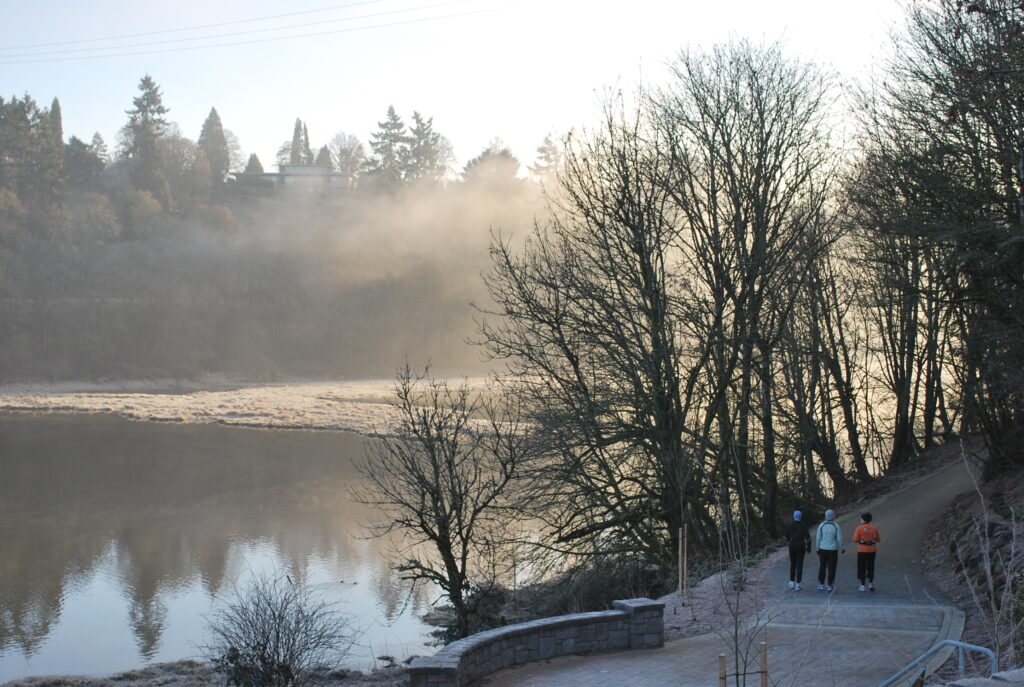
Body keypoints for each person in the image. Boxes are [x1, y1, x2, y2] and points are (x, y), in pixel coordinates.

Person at [816, 509, 845, 592]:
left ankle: (821, 584)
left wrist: (817, 548)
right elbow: (840, 538)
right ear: (833, 516)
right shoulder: (836, 526)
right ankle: (830, 584)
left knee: (822, 566)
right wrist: (842, 548)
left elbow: (818, 538)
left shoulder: (821, 525)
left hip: (822, 549)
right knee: (832, 567)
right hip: (833, 550)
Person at [853, 512, 880, 592]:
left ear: (863, 520)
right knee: (871, 566)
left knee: (862, 567)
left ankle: (862, 585)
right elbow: (878, 539)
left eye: (861, 518)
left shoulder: (859, 528)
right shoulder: (874, 528)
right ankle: (871, 584)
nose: (860, 519)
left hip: (862, 550)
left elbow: (855, 540)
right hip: (872, 550)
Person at [784, 510, 811, 591]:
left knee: (793, 563)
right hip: (801, 545)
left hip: (792, 545)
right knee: (799, 565)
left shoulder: (790, 525)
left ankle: (792, 582)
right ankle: (798, 584)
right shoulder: (804, 526)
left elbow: (785, 537)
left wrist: (790, 540)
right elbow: (808, 538)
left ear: (794, 516)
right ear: (801, 517)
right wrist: (808, 548)